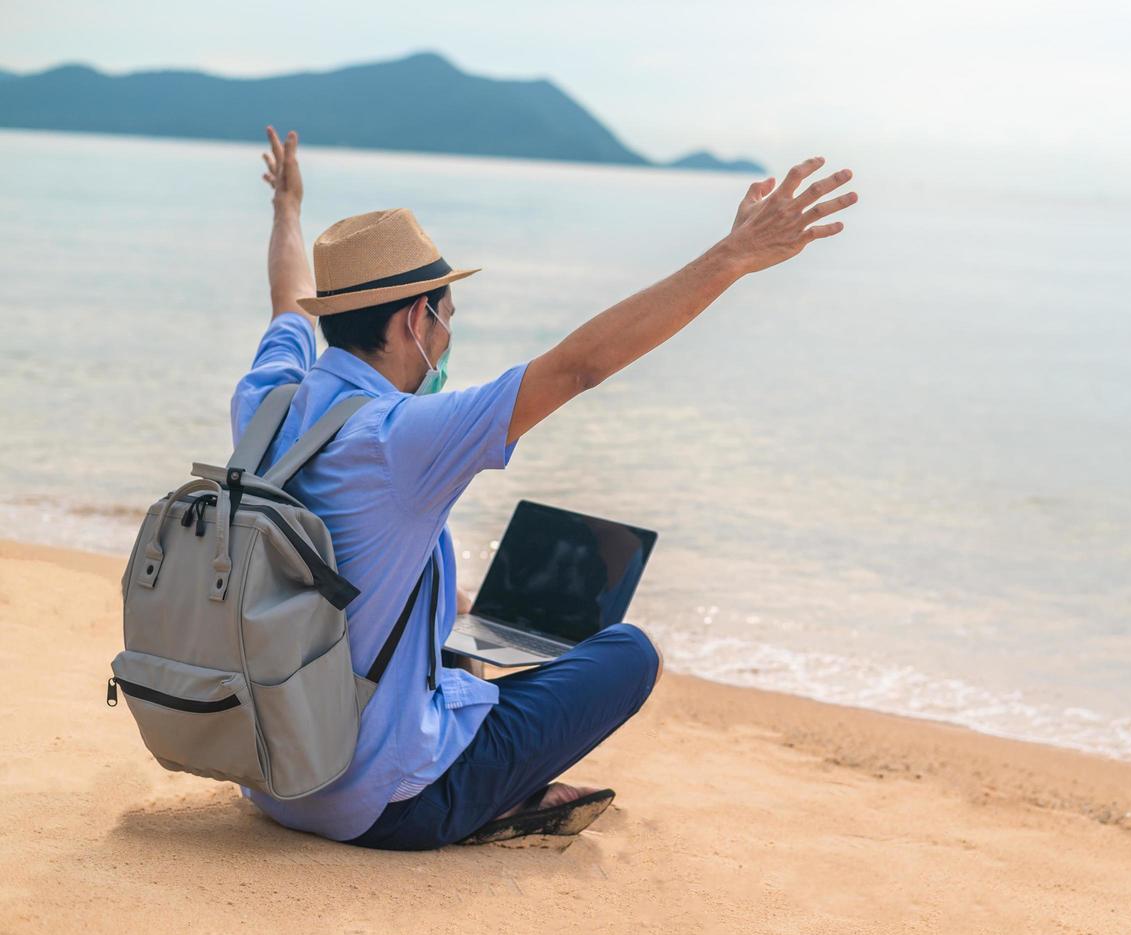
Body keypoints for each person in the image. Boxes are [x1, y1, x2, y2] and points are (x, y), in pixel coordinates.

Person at [235, 125, 858, 850]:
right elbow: (577, 368)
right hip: (381, 808)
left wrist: (287, 209)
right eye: (447, 319)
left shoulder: (267, 398)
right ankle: (498, 796)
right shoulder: (400, 434)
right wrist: (734, 256)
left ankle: (493, 756)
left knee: (454, 628)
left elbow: (287, 298)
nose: (446, 341)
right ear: (417, 317)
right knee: (628, 653)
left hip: (273, 774)